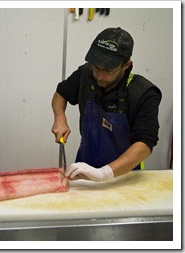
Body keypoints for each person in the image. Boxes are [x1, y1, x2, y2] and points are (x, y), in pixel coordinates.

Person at [51, 27, 162, 182]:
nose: (100, 76)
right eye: (96, 67)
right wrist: (60, 117)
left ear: (126, 65)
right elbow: (61, 93)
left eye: (109, 70)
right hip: (84, 168)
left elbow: (145, 144)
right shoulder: (86, 74)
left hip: (124, 176)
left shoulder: (143, 93)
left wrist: (104, 173)